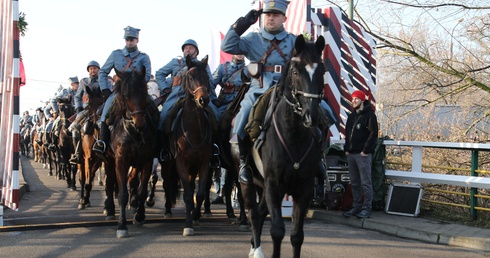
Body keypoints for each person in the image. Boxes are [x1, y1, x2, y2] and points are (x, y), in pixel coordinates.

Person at [155, 39, 220, 163]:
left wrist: (213, 98)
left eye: (190, 48)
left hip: (197, 94)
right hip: (177, 93)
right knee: (163, 116)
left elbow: (209, 82)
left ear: (196, 51)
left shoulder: (202, 64)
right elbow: (159, 74)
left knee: (216, 116)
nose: (187, 50)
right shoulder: (175, 62)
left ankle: (215, 149)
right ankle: (163, 149)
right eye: (186, 48)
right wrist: (165, 88)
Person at [93, 26, 152, 154]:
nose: (129, 42)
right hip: (120, 91)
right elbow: (103, 72)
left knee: (154, 109)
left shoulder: (144, 57)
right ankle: (102, 141)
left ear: (137, 40)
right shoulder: (116, 54)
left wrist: (136, 84)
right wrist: (105, 90)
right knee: (106, 111)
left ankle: (157, 143)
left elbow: (146, 76)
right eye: (127, 39)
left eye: (132, 39)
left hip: (137, 92)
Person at [210, 54, 247, 204]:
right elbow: (211, 84)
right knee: (218, 126)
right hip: (226, 106)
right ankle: (215, 153)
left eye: (242, 51)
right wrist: (213, 101)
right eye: (236, 50)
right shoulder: (223, 68)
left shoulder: (250, 69)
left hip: (243, 104)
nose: (239, 53)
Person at [342, 90, 378, 219]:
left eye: (356, 99)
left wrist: (365, 150)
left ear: (362, 100)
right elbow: (347, 135)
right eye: (352, 99)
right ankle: (356, 206)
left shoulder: (369, 115)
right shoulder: (352, 116)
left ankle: (367, 208)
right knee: (355, 183)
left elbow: (373, 134)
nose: (353, 101)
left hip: (362, 155)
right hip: (351, 154)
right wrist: (346, 149)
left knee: (366, 183)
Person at [68, 61, 100, 164]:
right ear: (88, 70)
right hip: (86, 109)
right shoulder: (83, 82)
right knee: (74, 127)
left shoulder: (104, 80)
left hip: (101, 108)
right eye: (91, 68)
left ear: (98, 70)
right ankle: (77, 153)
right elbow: (77, 97)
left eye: (95, 68)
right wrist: (78, 108)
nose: (93, 70)